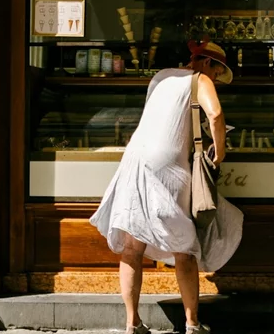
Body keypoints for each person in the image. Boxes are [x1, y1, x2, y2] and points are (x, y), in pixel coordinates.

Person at [90, 40, 243, 334]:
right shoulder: (201, 80)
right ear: (208, 64)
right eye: (217, 72)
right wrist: (220, 153)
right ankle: (192, 322)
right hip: (169, 165)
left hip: (135, 158)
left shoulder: (161, 76)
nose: (215, 79)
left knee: (132, 246)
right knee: (184, 247)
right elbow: (216, 115)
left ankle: (132, 322)